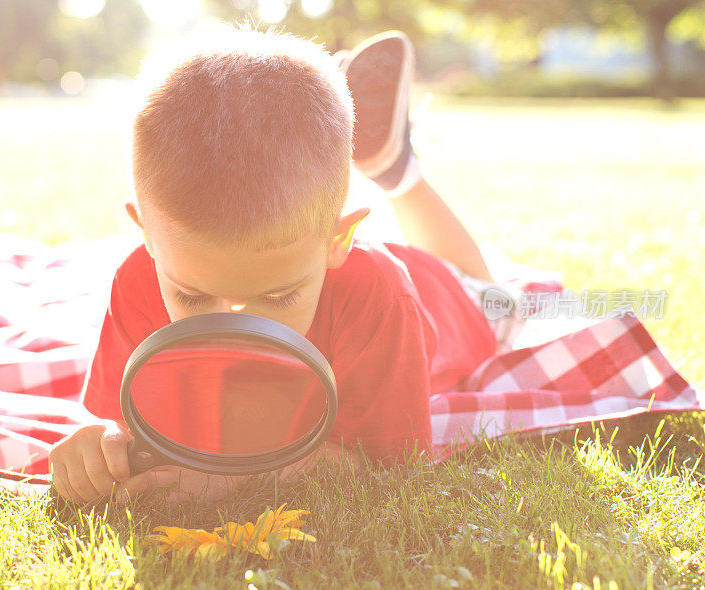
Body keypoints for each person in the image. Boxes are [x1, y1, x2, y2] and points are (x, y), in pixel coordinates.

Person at [48, 28, 501, 506]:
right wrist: (100, 447)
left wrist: (232, 479)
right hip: (319, 245)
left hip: (443, 299)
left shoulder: (383, 296)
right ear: (147, 235)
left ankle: (392, 168)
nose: (235, 325)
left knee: (487, 291)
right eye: (194, 296)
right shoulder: (136, 277)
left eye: (280, 297)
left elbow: (388, 466)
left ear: (338, 239)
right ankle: (365, 151)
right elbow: (117, 423)